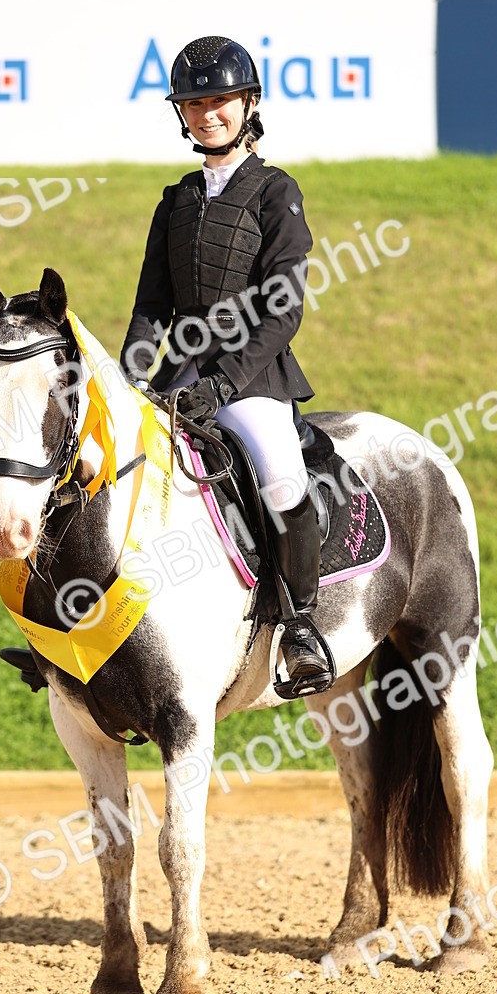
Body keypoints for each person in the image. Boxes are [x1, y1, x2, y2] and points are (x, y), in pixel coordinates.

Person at [120, 36, 332, 697]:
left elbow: (282, 309)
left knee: (279, 479)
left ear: (248, 104)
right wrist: (131, 374)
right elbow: (151, 303)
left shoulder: (276, 192)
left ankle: (300, 626)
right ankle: (78, 627)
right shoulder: (175, 199)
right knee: (104, 468)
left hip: (252, 380)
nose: (206, 113)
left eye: (219, 101)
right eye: (193, 102)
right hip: (177, 379)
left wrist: (223, 383)